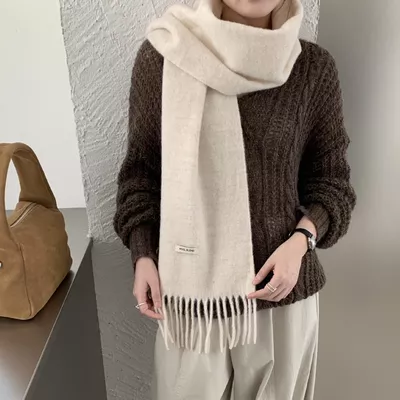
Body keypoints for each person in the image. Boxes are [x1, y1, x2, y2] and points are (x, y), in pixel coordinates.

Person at [114, 0, 356, 399]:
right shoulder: (165, 55)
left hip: (282, 295)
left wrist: (302, 242)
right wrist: (142, 253)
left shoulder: (312, 69)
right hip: (192, 297)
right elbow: (141, 174)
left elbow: (332, 184)